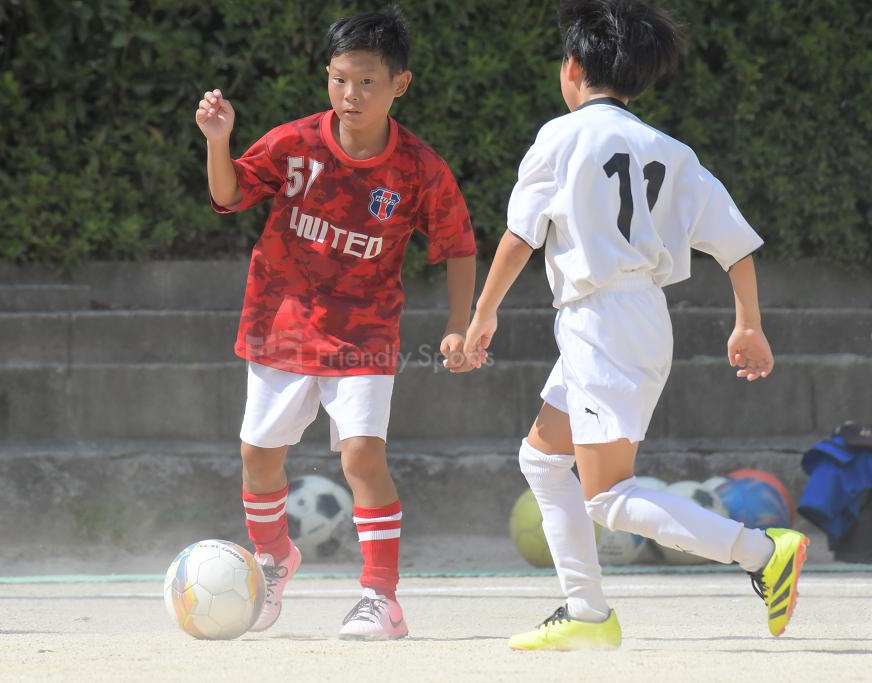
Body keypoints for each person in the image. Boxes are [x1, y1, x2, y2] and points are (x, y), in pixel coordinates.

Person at [463, 0, 807, 651]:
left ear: (571, 70)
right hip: (633, 318)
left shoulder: (558, 138)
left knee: (609, 495)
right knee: (540, 458)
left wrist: (483, 316)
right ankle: (588, 611)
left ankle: (762, 550)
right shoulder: (669, 150)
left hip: (601, 324)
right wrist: (748, 325)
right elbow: (735, 243)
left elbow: (518, 238)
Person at [196, 7, 477, 640]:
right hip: (280, 322)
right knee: (257, 458)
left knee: (361, 458)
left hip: (365, 332)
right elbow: (229, 195)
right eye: (339, 79)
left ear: (400, 85)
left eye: (367, 82)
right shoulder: (293, 143)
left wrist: (461, 324)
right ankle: (273, 559)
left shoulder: (418, 170)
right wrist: (219, 141)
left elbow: (458, 245)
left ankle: (382, 599)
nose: (351, 95)